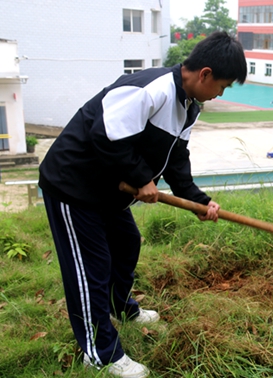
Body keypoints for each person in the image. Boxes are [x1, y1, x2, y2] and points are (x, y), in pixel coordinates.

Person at [38, 31, 247, 378]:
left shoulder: (188, 107)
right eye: (222, 86)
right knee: (92, 267)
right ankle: (100, 352)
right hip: (73, 185)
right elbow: (105, 134)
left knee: (126, 243)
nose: (220, 93)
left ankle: (121, 306)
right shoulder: (152, 88)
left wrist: (199, 200)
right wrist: (140, 178)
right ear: (205, 74)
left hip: (108, 191)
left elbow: (176, 160)